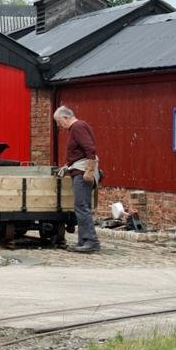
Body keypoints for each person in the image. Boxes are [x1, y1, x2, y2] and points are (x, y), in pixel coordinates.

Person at [54, 105, 101, 253]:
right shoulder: (77, 127)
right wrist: (68, 165)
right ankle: (83, 241)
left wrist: (89, 169)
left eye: (59, 121)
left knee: (82, 207)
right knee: (81, 207)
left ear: (66, 117)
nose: (59, 125)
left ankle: (91, 241)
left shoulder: (78, 127)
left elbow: (89, 148)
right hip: (78, 170)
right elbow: (81, 151)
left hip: (81, 172)